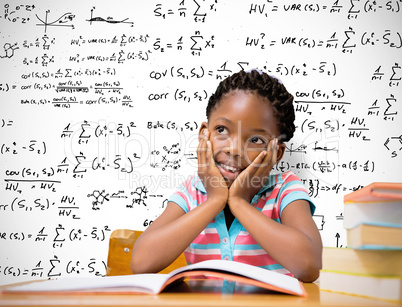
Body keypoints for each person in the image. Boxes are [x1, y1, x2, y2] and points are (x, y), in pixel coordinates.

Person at [131, 69, 322, 282]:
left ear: (276, 153)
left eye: (256, 140)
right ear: (205, 133)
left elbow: (308, 265)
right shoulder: (191, 192)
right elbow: (140, 262)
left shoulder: (285, 190)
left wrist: (240, 202)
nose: (234, 150)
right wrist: (214, 200)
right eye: (222, 129)